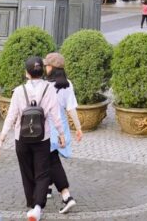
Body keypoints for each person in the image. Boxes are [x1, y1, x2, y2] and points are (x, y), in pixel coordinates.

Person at [0, 56, 66, 221]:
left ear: (27, 73)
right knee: (43, 173)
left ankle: (32, 206)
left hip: (22, 138)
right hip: (42, 138)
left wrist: (0, 141)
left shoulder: (19, 91)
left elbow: (11, 117)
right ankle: (38, 207)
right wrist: (61, 134)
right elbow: (56, 115)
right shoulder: (49, 89)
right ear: (43, 71)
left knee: (26, 172)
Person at [43, 53, 82, 214]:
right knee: (50, 157)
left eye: (47, 65)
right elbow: (71, 108)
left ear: (51, 67)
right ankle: (48, 187)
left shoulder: (45, 85)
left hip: (47, 127)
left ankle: (66, 196)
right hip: (62, 128)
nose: (45, 68)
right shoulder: (68, 84)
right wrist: (78, 128)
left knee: (51, 159)